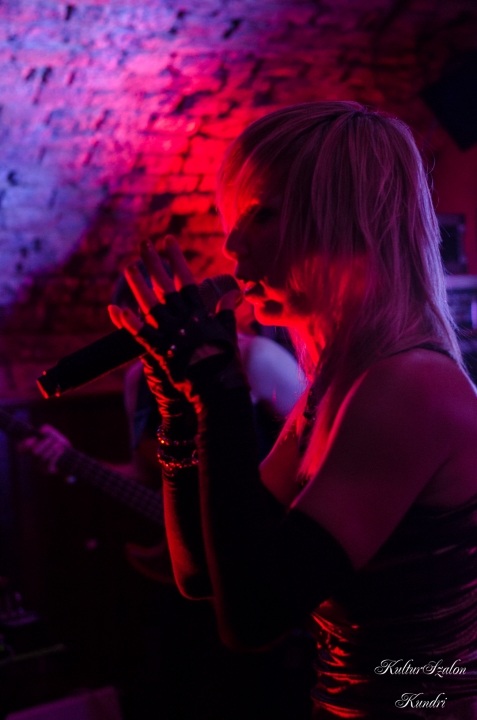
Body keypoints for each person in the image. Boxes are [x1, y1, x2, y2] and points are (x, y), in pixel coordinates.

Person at [108, 101, 477, 719]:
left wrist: (220, 388)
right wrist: (178, 409)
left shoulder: (410, 384)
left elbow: (255, 618)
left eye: (263, 214)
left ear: (346, 220)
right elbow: (202, 575)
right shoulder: (339, 381)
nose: (232, 244)